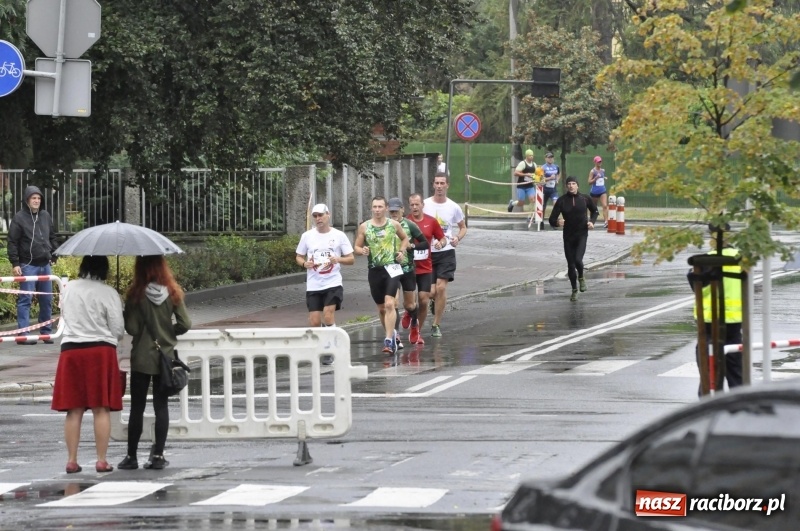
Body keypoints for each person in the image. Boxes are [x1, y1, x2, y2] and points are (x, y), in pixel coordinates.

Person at [51, 256, 125, 474]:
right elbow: (118, 330)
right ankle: (101, 460)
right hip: (100, 351)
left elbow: (65, 315)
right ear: (105, 270)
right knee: (101, 408)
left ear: (82, 267)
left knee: (74, 410)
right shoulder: (109, 292)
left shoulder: (69, 289)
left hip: (72, 351)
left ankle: (72, 460)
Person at [118, 255, 192, 471]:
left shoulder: (135, 295)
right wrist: (169, 334)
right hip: (164, 357)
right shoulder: (172, 292)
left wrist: (127, 312)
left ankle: (131, 456)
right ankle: (158, 455)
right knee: (161, 406)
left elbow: (131, 329)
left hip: (141, 357)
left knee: (137, 408)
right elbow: (186, 323)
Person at [688, 225, 743, 393]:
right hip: (734, 325)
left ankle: (709, 409)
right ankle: (740, 410)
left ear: (712, 237)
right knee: (736, 376)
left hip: (708, 326)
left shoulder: (704, 262)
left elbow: (694, 284)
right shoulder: (741, 259)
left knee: (707, 376)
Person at [353, 196, 409, 354]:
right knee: (382, 308)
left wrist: (401, 251)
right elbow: (356, 247)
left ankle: (388, 339)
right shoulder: (365, 227)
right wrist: (362, 250)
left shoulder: (394, 224)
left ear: (386, 208)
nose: (377, 210)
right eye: (374, 207)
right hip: (374, 270)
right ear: (371, 208)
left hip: (392, 267)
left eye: (380, 207)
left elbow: (404, 239)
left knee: (390, 304)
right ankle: (392, 334)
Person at [7, 185, 59, 345]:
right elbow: (12, 241)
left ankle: (46, 331)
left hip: (45, 264)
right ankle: (23, 333)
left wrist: (54, 253)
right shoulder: (19, 218)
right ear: (27, 200)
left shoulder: (45, 215)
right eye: (33, 198)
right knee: (25, 299)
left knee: (47, 300)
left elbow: (52, 236)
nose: (36, 201)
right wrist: (15, 263)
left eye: (38, 198)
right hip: (27, 265)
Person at [295, 203, 355, 331]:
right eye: (315, 216)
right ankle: (322, 340)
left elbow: (351, 259)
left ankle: (333, 341)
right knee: (314, 322)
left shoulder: (339, 235)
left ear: (328, 215)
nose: (318, 218)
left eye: (321, 215)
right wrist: (305, 263)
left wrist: (338, 259)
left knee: (328, 315)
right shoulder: (307, 236)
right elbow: (298, 257)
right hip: (314, 284)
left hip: (332, 282)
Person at [424, 173, 467, 338]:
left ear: (447, 185)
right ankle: (433, 302)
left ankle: (436, 324)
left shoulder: (453, 207)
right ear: (433, 185)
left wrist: (457, 238)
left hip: (446, 251)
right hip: (427, 253)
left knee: (441, 288)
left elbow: (463, 227)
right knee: (431, 292)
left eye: (442, 183)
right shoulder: (425, 204)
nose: (439, 186)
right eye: (437, 183)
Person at [548, 176, 599, 302]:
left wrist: (592, 222)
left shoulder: (585, 198)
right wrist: (557, 222)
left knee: (578, 260)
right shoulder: (562, 200)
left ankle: (581, 277)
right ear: (566, 186)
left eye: (573, 183)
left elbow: (595, 211)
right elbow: (551, 219)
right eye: (569, 184)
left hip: (581, 234)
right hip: (568, 236)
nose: (571, 186)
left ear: (578, 186)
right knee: (571, 265)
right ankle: (574, 290)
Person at [387, 197, 429, 346]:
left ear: (402, 210)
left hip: (407, 269)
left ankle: (414, 324)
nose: (393, 214)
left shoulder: (410, 225)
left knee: (410, 305)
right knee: (393, 303)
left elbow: (425, 243)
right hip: (391, 269)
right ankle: (395, 335)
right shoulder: (384, 225)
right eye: (391, 211)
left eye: (396, 211)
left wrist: (412, 246)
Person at [406, 193, 446, 344]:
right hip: (408, 267)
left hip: (425, 267)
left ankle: (417, 331)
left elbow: (442, 237)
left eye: (417, 204)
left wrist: (440, 243)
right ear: (409, 206)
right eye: (412, 205)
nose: (415, 207)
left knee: (424, 300)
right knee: (411, 303)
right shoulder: (405, 222)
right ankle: (409, 314)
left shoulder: (431, 221)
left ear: (423, 205)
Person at [588, 156, 609, 227]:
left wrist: (604, 178)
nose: (599, 163)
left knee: (605, 206)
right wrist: (595, 178)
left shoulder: (603, 170)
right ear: (595, 162)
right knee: (593, 208)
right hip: (594, 192)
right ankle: (591, 221)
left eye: (600, 161)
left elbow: (601, 177)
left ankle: (606, 222)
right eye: (598, 162)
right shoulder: (592, 171)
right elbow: (589, 182)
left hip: (603, 190)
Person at [540, 152, 560, 219]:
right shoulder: (543, 167)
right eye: (549, 157)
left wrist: (557, 179)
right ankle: (541, 221)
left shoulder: (556, 166)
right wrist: (550, 178)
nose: (550, 159)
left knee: (556, 204)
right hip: (544, 189)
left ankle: (553, 219)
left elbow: (558, 174)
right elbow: (540, 179)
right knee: (543, 206)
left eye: (551, 157)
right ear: (545, 159)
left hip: (553, 190)